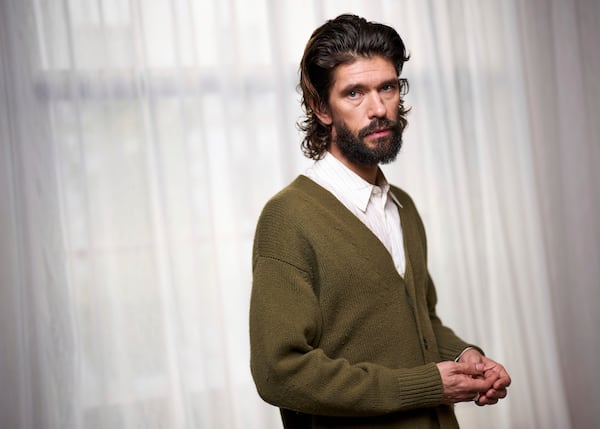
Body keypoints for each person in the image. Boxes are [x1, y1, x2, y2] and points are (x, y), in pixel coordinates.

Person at [249, 14, 510, 429]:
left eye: (387, 87)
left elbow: (421, 322)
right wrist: (427, 385)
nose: (378, 108)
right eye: (354, 93)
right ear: (321, 108)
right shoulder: (289, 217)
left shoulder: (401, 206)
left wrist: (465, 358)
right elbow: (278, 372)